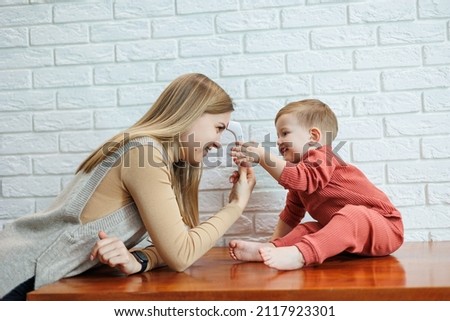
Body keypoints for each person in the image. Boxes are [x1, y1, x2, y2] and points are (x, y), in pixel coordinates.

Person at [0, 73, 256, 300]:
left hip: (47, 277)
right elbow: (181, 254)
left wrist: (139, 260)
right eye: (218, 128)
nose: (220, 142)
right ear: (190, 115)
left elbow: (174, 245)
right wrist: (236, 205)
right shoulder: (144, 153)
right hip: (23, 273)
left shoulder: (159, 158)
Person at [229, 99, 403, 270]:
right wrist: (273, 243)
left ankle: (301, 255)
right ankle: (269, 249)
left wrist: (262, 155)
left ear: (313, 137)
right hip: (352, 242)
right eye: (277, 135)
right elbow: (291, 214)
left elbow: (300, 177)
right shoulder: (302, 176)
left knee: (352, 214)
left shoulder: (324, 156)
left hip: (385, 229)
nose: (278, 141)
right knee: (308, 229)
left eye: (285, 133)